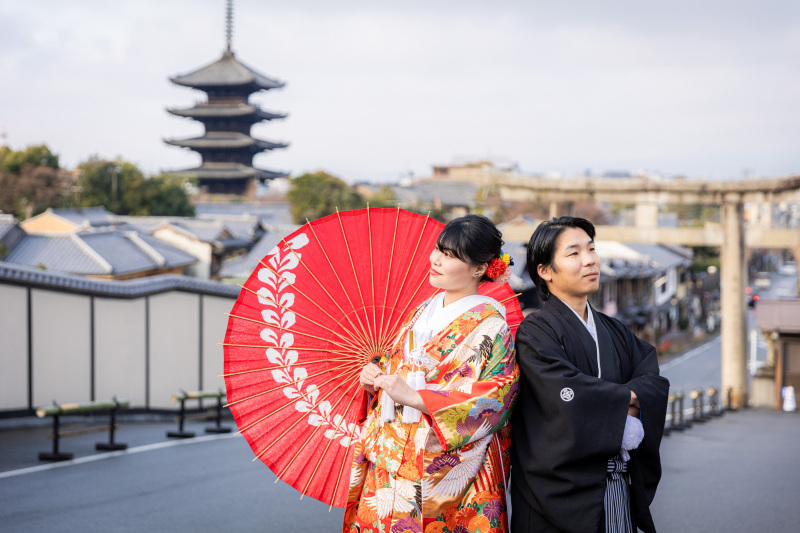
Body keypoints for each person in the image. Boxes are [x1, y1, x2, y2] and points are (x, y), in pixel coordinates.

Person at [343, 214, 519, 533]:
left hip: (449, 467)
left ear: (480, 269)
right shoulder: (423, 310)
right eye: (438, 249)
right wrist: (375, 378)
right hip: (390, 455)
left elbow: (497, 399)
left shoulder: (493, 327)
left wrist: (416, 397)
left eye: (450, 255)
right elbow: (400, 365)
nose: (435, 259)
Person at [510, 216, 669, 533]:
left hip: (613, 484)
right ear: (544, 271)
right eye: (574, 253)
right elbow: (565, 394)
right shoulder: (535, 332)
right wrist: (628, 399)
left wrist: (623, 400)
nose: (590, 260)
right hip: (554, 492)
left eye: (591, 249)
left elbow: (653, 378)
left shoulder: (614, 330)